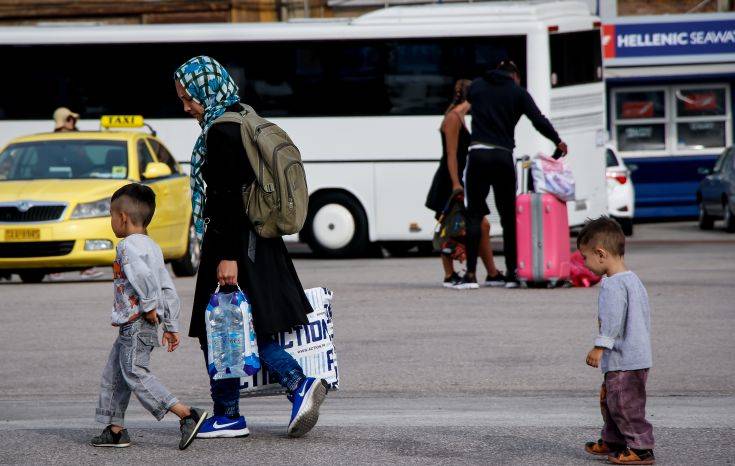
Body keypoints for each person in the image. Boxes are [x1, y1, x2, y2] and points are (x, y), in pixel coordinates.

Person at [174, 56, 328, 440]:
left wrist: (226, 257)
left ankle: (292, 385)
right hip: (256, 241)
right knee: (233, 327)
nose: (187, 107)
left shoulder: (221, 132)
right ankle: (232, 412)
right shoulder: (242, 115)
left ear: (204, 91)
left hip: (234, 246)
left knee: (224, 330)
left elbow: (227, 198)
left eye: (188, 97)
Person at [91, 183, 207, 450]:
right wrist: (171, 324)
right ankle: (115, 429)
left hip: (136, 322)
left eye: (111, 215)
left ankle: (186, 414)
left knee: (134, 372)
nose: (111, 221)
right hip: (136, 323)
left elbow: (143, 279)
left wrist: (150, 305)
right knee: (115, 374)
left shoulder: (127, 246)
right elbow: (166, 285)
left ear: (122, 217)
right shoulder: (152, 246)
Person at [455, 60, 568, 290]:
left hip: (477, 155)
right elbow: (538, 120)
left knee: (474, 215)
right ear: (515, 76)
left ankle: (469, 275)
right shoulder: (517, 92)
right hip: (502, 156)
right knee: (508, 217)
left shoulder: (476, 87)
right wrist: (557, 140)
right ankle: (512, 273)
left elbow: (465, 109)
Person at [578, 217, 655, 465]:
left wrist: (600, 346)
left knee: (624, 404)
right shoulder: (633, 280)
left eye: (585, 257)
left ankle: (641, 448)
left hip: (624, 358)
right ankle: (613, 440)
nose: (585, 263)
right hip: (635, 355)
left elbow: (612, 320)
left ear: (600, 254)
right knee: (612, 400)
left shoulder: (613, 285)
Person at [425, 79, 502, 288]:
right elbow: (450, 155)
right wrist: (455, 184)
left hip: (461, 178)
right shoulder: (453, 118)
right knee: (450, 227)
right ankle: (450, 275)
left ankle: (493, 273)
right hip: (450, 180)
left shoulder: (460, 117)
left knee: (482, 225)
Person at [50, 107, 103, 280]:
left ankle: (85, 267)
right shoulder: (49, 142)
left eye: (73, 119)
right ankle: (53, 268)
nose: (73, 122)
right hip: (54, 190)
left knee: (82, 224)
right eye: (69, 119)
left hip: (78, 188)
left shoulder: (77, 139)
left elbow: (86, 163)